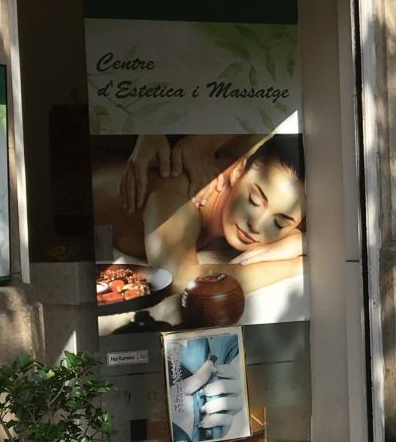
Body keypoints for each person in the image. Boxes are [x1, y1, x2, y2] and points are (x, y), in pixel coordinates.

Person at [91, 133, 307, 322]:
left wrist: (296, 242)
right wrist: (299, 266)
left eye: (279, 223)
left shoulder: (264, 184)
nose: (256, 225)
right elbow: (181, 279)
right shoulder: (179, 199)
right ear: (237, 170)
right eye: (254, 200)